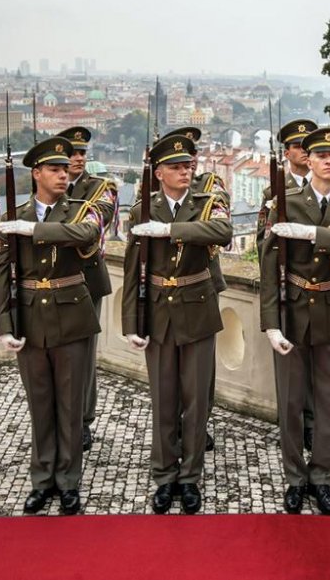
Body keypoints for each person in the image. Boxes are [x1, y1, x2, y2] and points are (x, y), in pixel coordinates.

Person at [260, 126, 330, 516]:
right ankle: (294, 478)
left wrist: (311, 233)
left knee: (329, 404)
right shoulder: (284, 199)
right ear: (308, 161)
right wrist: (271, 323)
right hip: (292, 307)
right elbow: (268, 264)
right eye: (320, 156)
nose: (328, 161)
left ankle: (322, 477)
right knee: (290, 403)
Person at [121, 133, 232, 515]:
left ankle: (190, 477)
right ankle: (165, 475)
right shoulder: (142, 210)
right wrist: (131, 322)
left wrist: (171, 231)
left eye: (188, 166)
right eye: (176, 167)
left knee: (196, 401)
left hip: (197, 310)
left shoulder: (208, 203)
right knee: (163, 400)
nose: (185, 172)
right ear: (159, 172)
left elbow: (223, 232)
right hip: (158, 313)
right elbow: (133, 270)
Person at [0, 137, 103, 516]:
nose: (63, 174)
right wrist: (4, 323)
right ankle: (42, 480)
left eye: (65, 168)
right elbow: (2, 271)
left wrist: (33, 231)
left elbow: (87, 235)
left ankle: (69, 481)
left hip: (71, 315)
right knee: (40, 405)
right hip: (30, 317)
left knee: (70, 407)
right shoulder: (17, 213)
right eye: (54, 169)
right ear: (36, 173)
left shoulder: (81, 209)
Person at [256, 117, 318, 453]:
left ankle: (312, 427)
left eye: (309, 147)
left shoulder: (328, 184)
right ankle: (291, 427)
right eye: (298, 147)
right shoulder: (273, 190)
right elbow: (262, 239)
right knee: (291, 369)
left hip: (318, 283)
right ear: (287, 152)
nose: (304, 152)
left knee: (316, 372)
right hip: (288, 283)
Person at [57, 126, 119, 451]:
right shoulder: (50, 190)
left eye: (82, 153)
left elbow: (96, 222)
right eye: (72, 153)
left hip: (86, 278)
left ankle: (82, 419)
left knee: (83, 354)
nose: (78, 158)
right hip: (51, 280)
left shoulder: (100, 187)